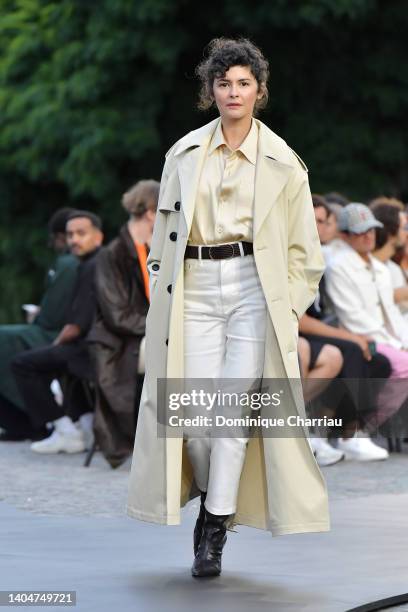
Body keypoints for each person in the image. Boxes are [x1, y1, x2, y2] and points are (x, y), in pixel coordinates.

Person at [126, 37, 330, 579]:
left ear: (259, 91)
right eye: (223, 83)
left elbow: (305, 253)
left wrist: (284, 311)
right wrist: (160, 279)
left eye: (243, 83)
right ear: (210, 91)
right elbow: (162, 239)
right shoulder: (183, 153)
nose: (233, 92)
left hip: (252, 290)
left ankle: (213, 528)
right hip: (192, 286)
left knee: (232, 418)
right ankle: (210, 497)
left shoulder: (285, 163)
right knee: (192, 417)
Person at [300, 199, 391, 461]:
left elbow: (323, 313)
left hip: (317, 330)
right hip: (295, 332)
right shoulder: (298, 253)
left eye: (323, 221)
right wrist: (351, 336)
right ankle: (343, 435)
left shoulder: (318, 254)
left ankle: (332, 432)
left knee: (377, 361)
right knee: (352, 350)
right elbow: (301, 320)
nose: (318, 227)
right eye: (313, 220)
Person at [11, 211, 103, 454]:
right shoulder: (93, 263)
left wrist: (54, 347)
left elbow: (76, 326)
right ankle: (86, 428)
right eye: (70, 234)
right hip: (100, 345)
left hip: (94, 348)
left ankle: (65, 431)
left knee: (24, 364)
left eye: (81, 234)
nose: (74, 240)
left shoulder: (92, 266)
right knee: (62, 362)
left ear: (98, 236)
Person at [87, 180, 159, 468]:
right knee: (176, 353)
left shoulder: (157, 248)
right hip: (119, 340)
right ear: (152, 212)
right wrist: (164, 326)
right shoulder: (112, 254)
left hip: (143, 333)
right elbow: (118, 316)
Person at [325, 203, 408, 431]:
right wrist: (395, 345)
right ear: (344, 235)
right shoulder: (339, 267)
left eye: (370, 229)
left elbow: (391, 314)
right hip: (359, 338)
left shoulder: (380, 269)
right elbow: (353, 317)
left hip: (384, 338)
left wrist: (402, 342)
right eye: (359, 232)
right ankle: (362, 428)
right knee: (405, 366)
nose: (367, 236)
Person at [0, 208, 79, 441]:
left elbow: (53, 319)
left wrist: (38, 317)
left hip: (62, 334)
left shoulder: (68, 262)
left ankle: (26, 422)